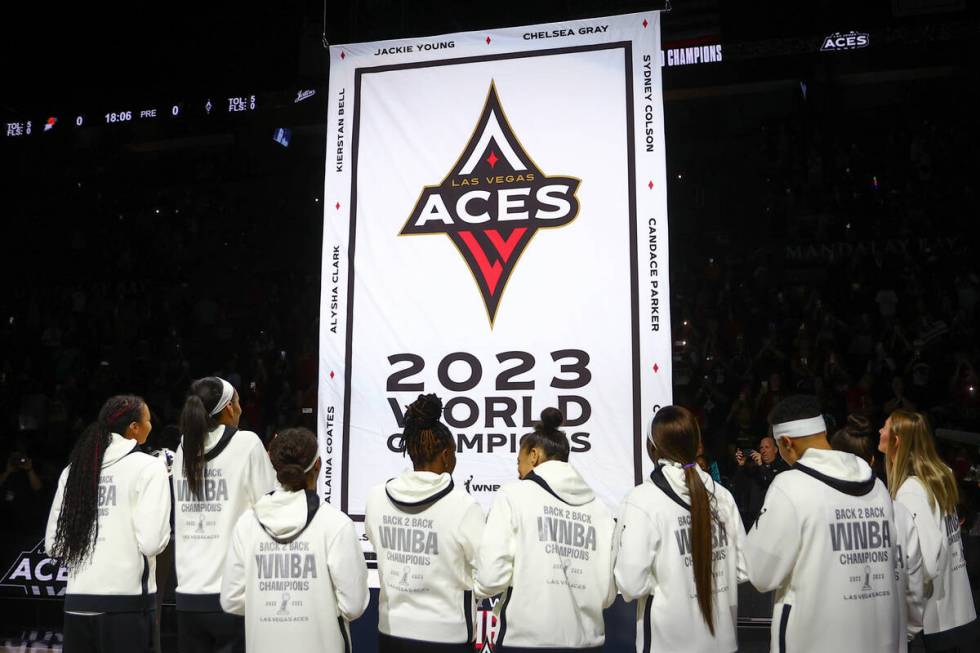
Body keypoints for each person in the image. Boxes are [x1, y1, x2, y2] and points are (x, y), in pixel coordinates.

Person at [744, 395, 899, 652]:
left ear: (786, 442)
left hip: (814, 639)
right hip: (876, 636)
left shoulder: (791, 486)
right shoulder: (877, 486)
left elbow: (761, 574)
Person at [475, 408, 615, 652]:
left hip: (526, 640)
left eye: (519, 461)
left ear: (534, 455)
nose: (518, 471)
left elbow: (490, 578)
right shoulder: (600, 509)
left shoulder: (513, 495)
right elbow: (607, 594)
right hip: (588, 641)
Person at [220, 427, 368, 652]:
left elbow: (231, 599)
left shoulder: (247, 524)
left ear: (276, 469)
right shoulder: (336, 524)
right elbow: (354, 605)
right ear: (317, 466)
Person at [615, 406, 747, 652]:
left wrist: (670, 583)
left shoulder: (643, 500)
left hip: (668, 644)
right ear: (697, 445)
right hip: (723, 642)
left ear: (652, 448)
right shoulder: (722, 496)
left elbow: (631, 584)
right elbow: (743, 569)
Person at [45, 395, 171, 653]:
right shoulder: (149, 467)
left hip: (77, 602)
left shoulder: (73, 471)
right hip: (127, 604)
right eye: (148, 420)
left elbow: (54, 546)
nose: (151, 426)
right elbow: (152, 542)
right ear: (133, 428)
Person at [364, 394, 484, 652]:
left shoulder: (376, 499)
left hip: (391, 629)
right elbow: (486, 573)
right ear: (446, 454)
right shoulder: (464, 506)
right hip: (448, 634)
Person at [173, 377, 277, 653]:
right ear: (229, 408)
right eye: (239, 402)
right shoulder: (247, 442)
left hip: (186, 596)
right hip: (232, 596)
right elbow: (270, 508)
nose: (242, 409)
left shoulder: (183, 449)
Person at [879, 410, 978, 651]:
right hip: (962, 615)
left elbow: (927, 565)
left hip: (934, 627)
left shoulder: (911, 490)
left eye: (885, 427)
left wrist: (908, 628)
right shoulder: (940, 476)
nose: (879, 431)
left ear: (897, 440)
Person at [831, 414, 924, 651]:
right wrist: (906, 632)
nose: (881, 429)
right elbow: (914, 587)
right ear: (872, 460)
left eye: (886, 427)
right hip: (891, 639)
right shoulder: (899, 512)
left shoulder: (818, 513)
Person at [732, 435, 788, 527]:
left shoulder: (783, 467)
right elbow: (738, 486)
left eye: (767, 447)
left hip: (773, 519)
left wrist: (761, 465)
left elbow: (773, 483)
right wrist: (741, 466)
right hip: (752, 521)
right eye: (761, 448)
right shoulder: (754, 467)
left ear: (775, 450)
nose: (763, 450)